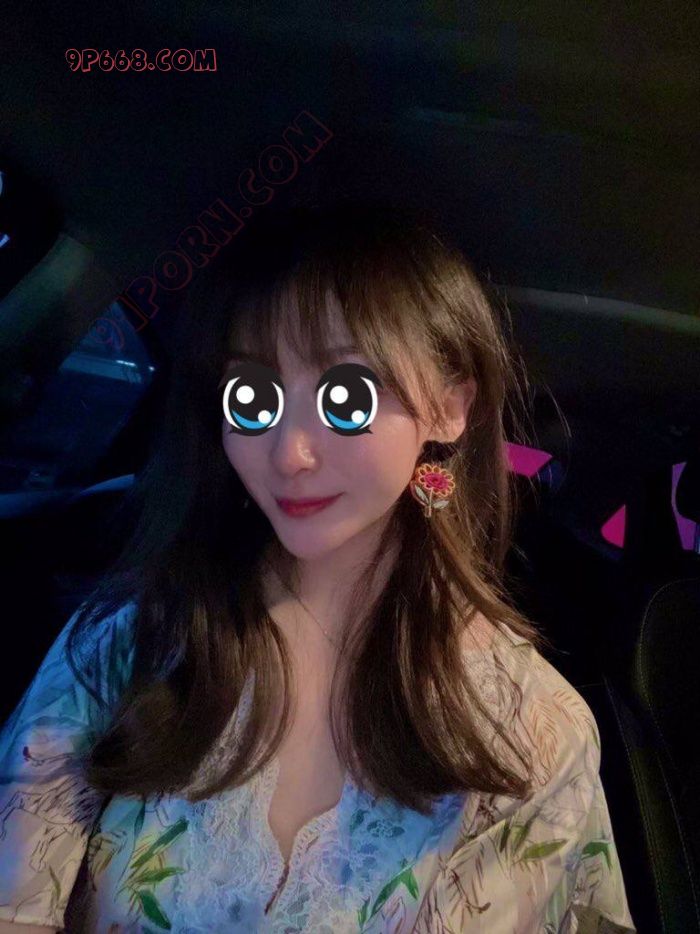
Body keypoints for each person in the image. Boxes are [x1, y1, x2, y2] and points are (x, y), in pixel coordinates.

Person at [0, 201, 637, 932]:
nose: (289, 452)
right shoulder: (124, 644)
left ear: (449, 408)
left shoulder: (531, 731)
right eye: (253, 397)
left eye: (346, 396)